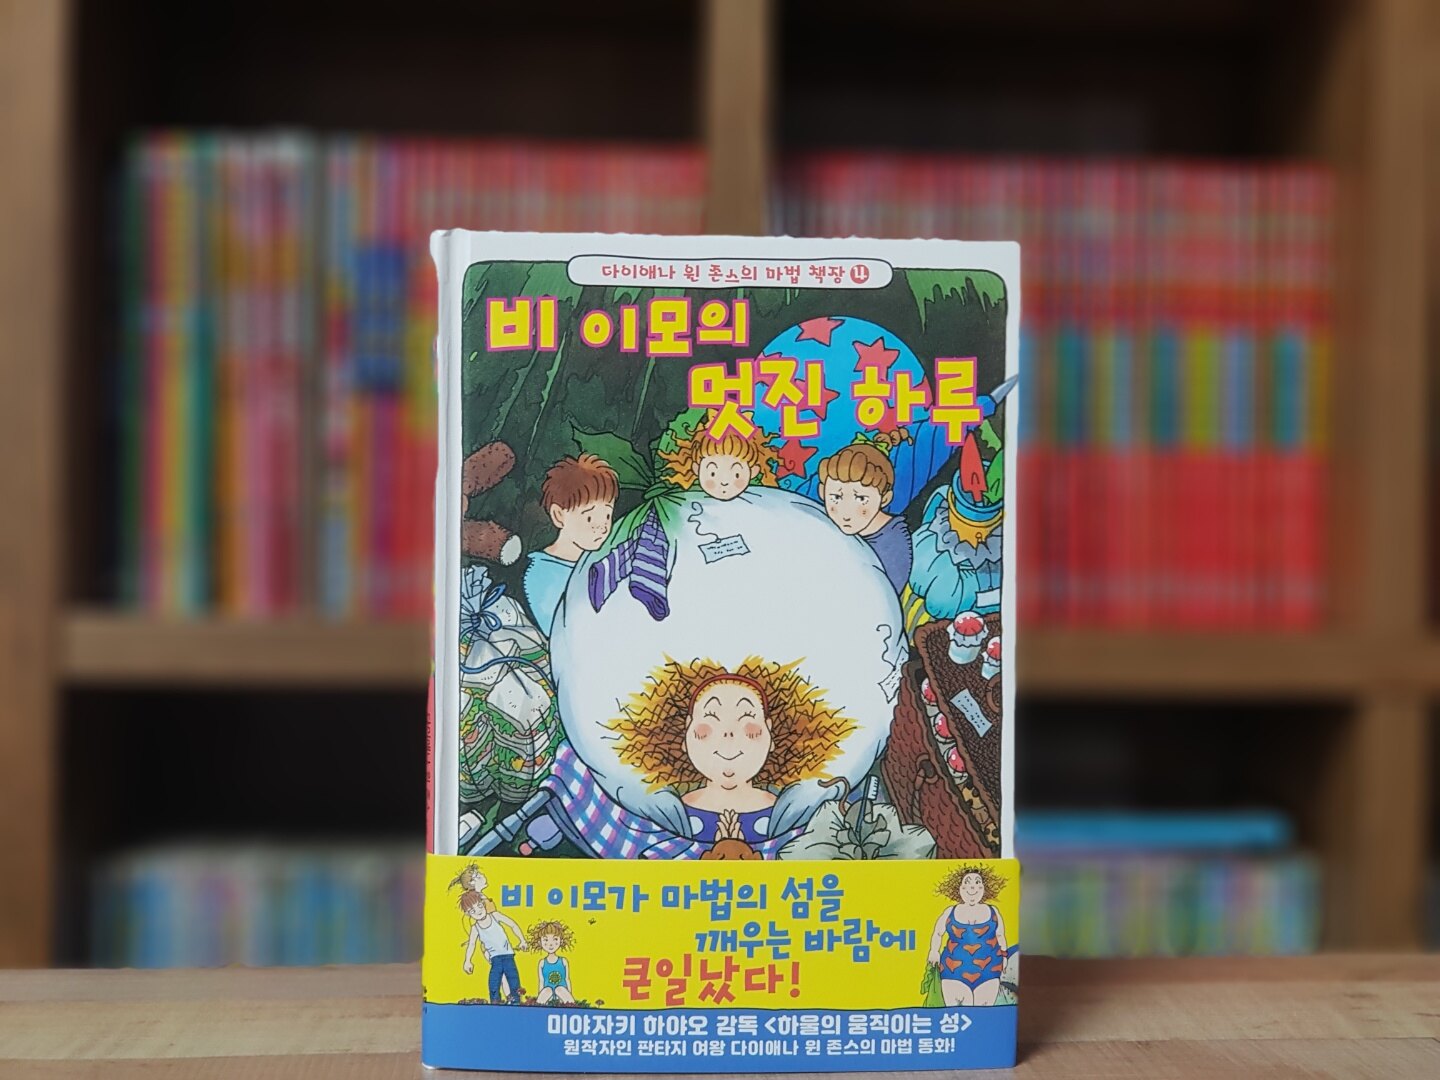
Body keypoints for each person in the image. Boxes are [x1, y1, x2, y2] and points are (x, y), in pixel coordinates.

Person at [609, 656, 854, 846]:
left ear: (770, 734)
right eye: (710, 721)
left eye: (747, 722)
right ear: (686, 733)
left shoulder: (798, 811)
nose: (728, 733)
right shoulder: (664, 813)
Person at [523, 453, 617, 636]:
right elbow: (560, 634)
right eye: (589, 517)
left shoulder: (601, 560)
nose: (601, 526)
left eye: (607, 515)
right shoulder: (542, 574)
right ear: (559, 515)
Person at [817, 441, 911, 592]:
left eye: (861, 499)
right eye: (836, 497)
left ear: (884, 499)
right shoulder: (828, 524)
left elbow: (884, 596)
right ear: (823, 493)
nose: (846, 512)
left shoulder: (893, 545)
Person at [927, 865, 1009, 1007]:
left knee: (983, 1013)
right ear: (959, 888)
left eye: (977, 883)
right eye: (967, 883)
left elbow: (1000, 935)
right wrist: (933, 951)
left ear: (984, 888)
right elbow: (938, 932)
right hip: (953, 971)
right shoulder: (950, 912)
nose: (972, 888)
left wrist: (1005, 955)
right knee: (957, 1013)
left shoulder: (994, 912)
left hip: (989, 970)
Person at [460, 888, 528, 1003]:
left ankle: (515, 1003)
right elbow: (471, 944)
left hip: (508, 956)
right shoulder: (475, 928)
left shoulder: (495, 916)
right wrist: (467, 961)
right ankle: (495, 1003)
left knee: (513, 981)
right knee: (494, 983)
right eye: (472, 911)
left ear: (483, 903)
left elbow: (512, 924)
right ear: (468, 914)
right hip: (495, 959)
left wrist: (522, 940)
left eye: (479, 906)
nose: (478, 911)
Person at [526, 920, 577, 1004]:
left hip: (561, 993)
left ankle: (571, 1005)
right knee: (547, 990)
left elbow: (567, 979)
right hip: (547, 993)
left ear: (561, 941)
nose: (550, 944)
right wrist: (540, 994)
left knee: (559, 989)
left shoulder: (563, 961)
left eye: (555, 939)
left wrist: (569, 993)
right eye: (546, 940)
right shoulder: (542, 962)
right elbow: (541, 981)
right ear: (540, 942)